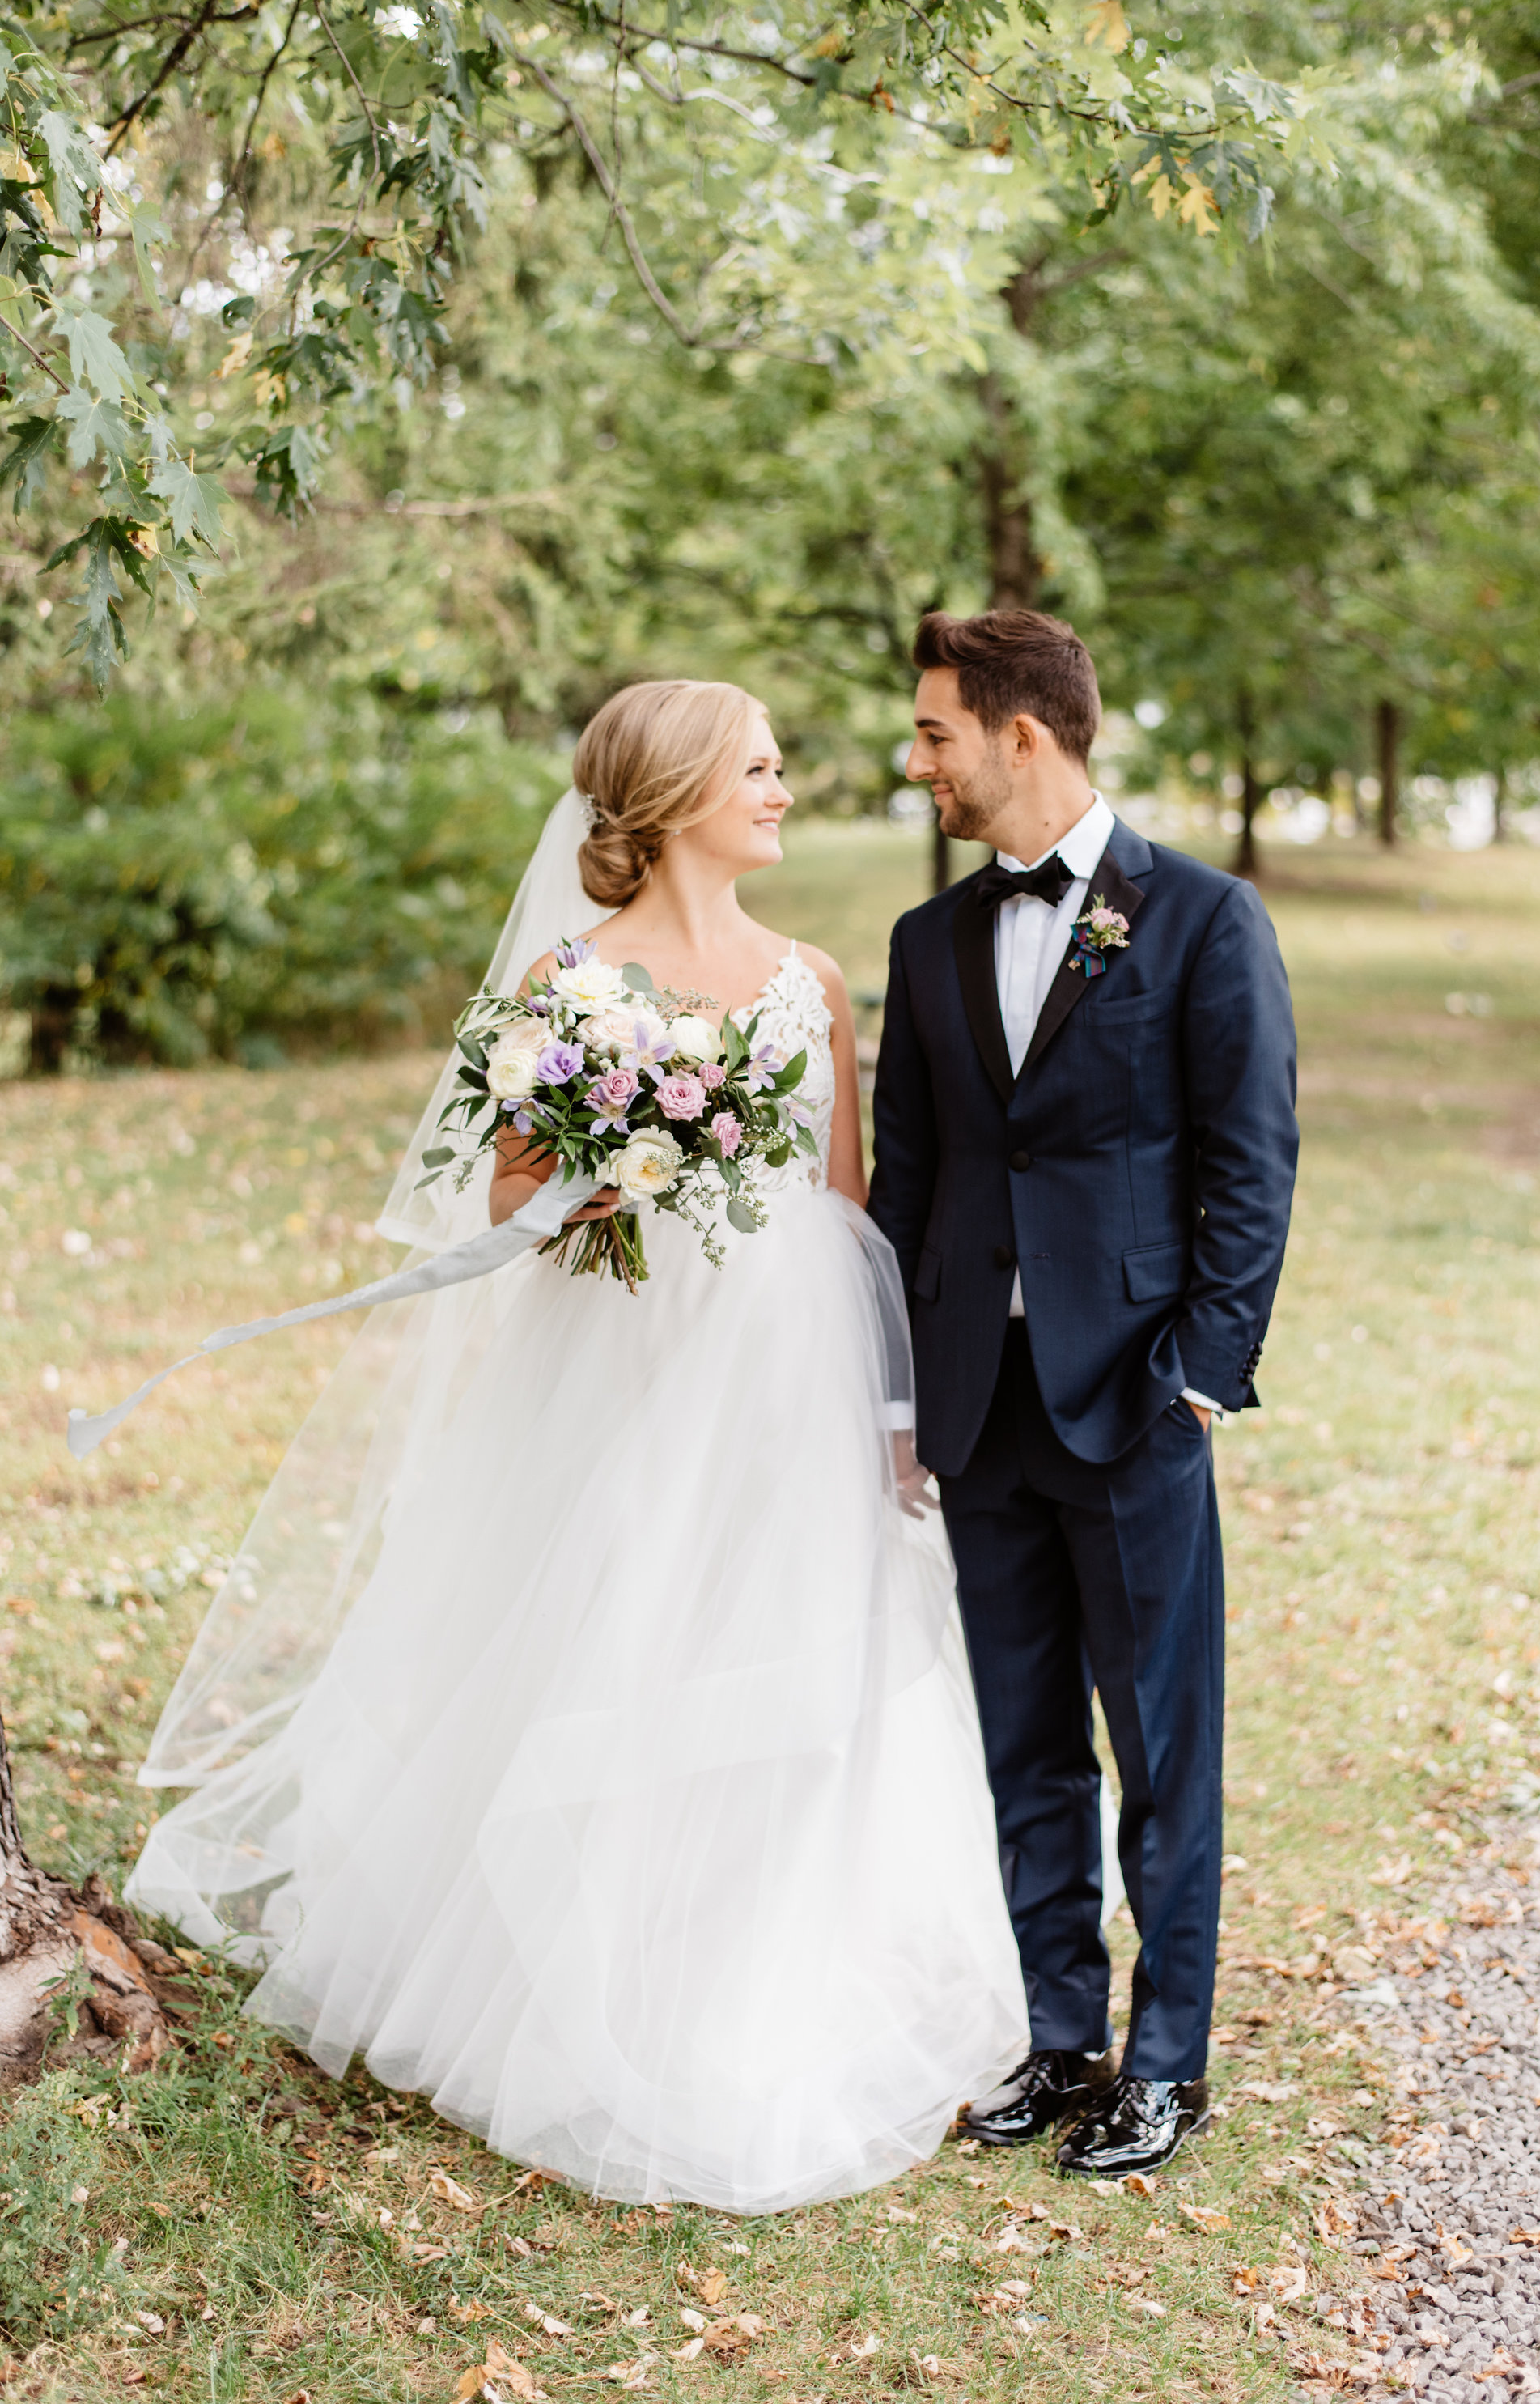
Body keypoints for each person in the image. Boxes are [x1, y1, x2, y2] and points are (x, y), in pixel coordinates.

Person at [128, 677, 1027, 2215]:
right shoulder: (570, 985)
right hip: (619, 1364)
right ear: (677, 794)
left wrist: (889, 1420)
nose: (787, 787)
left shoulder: (812, 980)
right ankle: (606, 1974)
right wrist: (606, 1183)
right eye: (760, 765)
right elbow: (502, 1203)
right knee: (621, 1642)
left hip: (787, 1375)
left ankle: (758, 1968)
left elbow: (850, 1210)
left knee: (784, 1655)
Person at [868, 609, 1298, 2179]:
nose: (915, 760)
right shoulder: (926, 945)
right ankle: (1062, 2045)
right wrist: (903, 1397)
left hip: (1133, 1403)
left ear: (1020, 735)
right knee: (1024, 1742)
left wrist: (1198, 1375)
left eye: (932, 734)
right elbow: (909, 1182)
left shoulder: (1198, 920)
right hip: (980, 1407)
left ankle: (1166, 2066)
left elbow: (1250, 1169)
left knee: (1161, 1751)